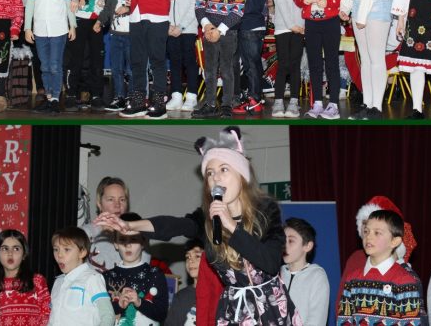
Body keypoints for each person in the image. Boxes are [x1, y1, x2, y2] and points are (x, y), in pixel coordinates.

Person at [94, 126, 301, 325]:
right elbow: (175, 225)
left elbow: (270, 262)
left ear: (241, 175)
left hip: (271, 310)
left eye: (223, 169)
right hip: (234, 312)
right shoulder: (208, 218)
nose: (215, 177)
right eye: (210, 173)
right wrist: (130, 225)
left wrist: (231, 226)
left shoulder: (266, 211)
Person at [118, 0, 179, 119]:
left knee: (157, 60)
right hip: (136, 16)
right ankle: (138, 101)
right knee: (137, 60)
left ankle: (159, 103)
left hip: (156, 17)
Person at [191, 0, 248, 119]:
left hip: (228, 32)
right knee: (209, 70)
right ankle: (210, 104)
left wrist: (219, 30)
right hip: (209, 30)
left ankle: (226, 105)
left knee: (226, 69)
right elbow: (199, 4)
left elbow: (237, 11)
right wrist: (207, 25)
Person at [337, 209, 424, 325]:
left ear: (394, 241)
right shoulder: (352, 278)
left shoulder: (405, 281)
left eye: (377, 233)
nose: (369, 237)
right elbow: (344, 320)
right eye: (366, 231)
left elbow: (410, 322)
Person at [294, 0, 347, 119]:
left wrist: (330, 3)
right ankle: (317, 103)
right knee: (314, 63)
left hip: (331, 23)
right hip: (311, 24)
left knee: (332, 63)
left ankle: (333, 104)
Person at [24, 0, 76, 115]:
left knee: (55, 65)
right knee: (45, 66)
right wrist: (27, 28)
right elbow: (29, 7)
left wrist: (72, 25)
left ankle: (55, 99)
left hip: (59, 30)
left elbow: (68, 6)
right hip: (39, 31)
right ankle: (48, 97)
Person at [65, 0, 112, 112]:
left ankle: (96, 95)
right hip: (78, 22)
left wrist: (102, 21)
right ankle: (71, 94)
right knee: (76, 59)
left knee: (96, 60)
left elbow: (108, 6)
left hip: (96, 24)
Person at [104, 212, 168, 325]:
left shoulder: (155, 274)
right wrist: (119, 305)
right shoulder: (106, 277)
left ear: (143, 242)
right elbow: (99, 314)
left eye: (133, 239)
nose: (128, 245)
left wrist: (139, 302)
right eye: (122, 239)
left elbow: (162, 314)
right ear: (115, 243)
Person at [94, 0, 137, 112]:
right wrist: (100, 21)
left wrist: (128, 8)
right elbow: (107, 9)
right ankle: (119, 97)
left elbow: (142, 7)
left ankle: (132, 97)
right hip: (115, 35)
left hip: (132, 36)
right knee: (116, 69)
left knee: (131, 69)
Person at [81, 176, 151, 272]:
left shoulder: (139, 232)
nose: (117, 205)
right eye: (111, 199)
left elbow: (142, 271)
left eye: (122, 200)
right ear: (99, 204)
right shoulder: (85, 233)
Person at [267, 0, 304, 118]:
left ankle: (294, 103)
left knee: (295, 65)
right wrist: (291, 25)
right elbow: (280, 2)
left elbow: (299, 3)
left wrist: (301, 25)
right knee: (284, 65)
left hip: (299, 27)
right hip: (284, 28)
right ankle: (278, 102)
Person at [48, 226, 115, 326]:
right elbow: (53, 318)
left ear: (82, 252)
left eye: (66, 249)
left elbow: (108, 315)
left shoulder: (92, 278)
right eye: (56, 249)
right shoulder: (58, 282)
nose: (59, 255)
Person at [231, 0, 268, 116]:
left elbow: (240, 5)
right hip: (259, 25)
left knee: (250, 65)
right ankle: (256, 98)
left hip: (246, 25)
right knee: (254, 63)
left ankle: (254, 100)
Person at [165, 0, 202, 113]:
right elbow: (165, 2)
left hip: (187, 28)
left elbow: (195, 4)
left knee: (189, 62)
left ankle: (192, 96)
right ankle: (176, 96)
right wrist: (168, 24)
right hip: (170, 28)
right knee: (174, 61)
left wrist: (182, 26)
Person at [0, 229, 50, 326]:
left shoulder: (37, 281)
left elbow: (46, 314)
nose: (10, 253)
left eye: (16, 249)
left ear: (24, 254)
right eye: (5, 249)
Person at [281, 218, 329, 326]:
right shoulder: (276, 274)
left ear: (308, 246)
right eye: (283, 240)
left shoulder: (317, 276)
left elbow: (317, 321)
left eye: (291, 241)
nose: (284, 245)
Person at [165, 238, 204, 326]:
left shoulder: (221, 294)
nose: (190, 260)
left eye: (197, 256)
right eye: (187, 257)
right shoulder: (181, 297)